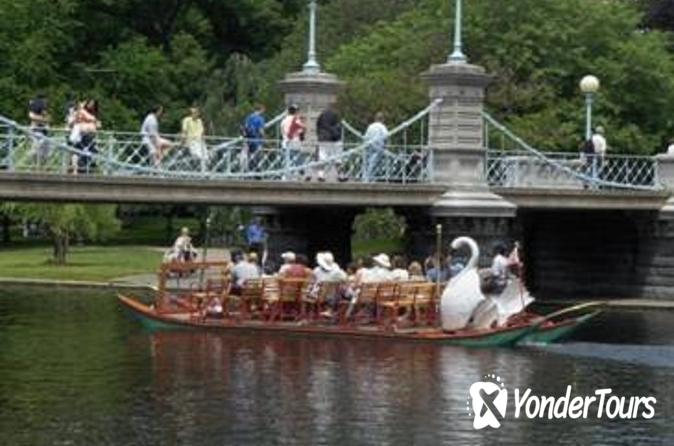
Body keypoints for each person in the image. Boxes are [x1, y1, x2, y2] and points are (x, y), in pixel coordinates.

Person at [316, 103, 343, 181]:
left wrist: (319, 136)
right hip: (334, 139)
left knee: (322, 157)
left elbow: (318, 126)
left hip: (323, 138)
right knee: (338, 158)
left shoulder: (321, 115)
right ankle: (340, 175)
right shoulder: (336, 115)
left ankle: (321, 175)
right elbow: (338, 126)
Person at [75, 99, 101, 174]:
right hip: (84, 134)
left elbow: (98, 124)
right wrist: (81, 107)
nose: (91, 106)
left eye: (93, 104)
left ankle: (88, 168)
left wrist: (96, 122)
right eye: (90, 104)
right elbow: (80, 118)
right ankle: (82, 168)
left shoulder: (94, 113)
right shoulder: (82, 112)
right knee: (83, 151)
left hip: (91, 135)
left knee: (91, 151)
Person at [280, 104, 306, 176]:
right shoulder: (297, 120)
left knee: (287, 160)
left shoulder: (283, 120)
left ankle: (286, 175)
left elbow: (282, 131)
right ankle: (299, 172)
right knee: (298, 159)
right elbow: (302, 131)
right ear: (296, 112)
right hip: (295, 142)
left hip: (286, 142)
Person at [363, 112, 389, 181]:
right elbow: (386, 136)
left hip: (369, 145)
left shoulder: (370, 126)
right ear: (382, 119)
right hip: (378, 146)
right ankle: (370, 177)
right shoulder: (382, 126)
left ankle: (367, 177)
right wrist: (386, 146)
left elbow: (366, 137)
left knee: (369, 161)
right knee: (375, 162)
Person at [28, 94, 51, 165]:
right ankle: (35, 164)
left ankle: (39, 165)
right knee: (37, 149)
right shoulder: (38, 106)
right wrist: (44, 119)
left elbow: (47, 118)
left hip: (41, 130)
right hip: (37, 130)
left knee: (43, 149)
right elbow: (32, 116)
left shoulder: (35, 106)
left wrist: (45, 119)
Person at [243, 104, 266, 170]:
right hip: (256, 140)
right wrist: (264, 138)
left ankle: (250, 169)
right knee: (257, 156)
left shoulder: (249, 117)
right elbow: (261, 130)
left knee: (250, 155)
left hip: (249, 140)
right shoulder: (260, 118)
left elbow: (245, 127)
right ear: (261, 110)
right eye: (263, 110)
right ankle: (257, 171)